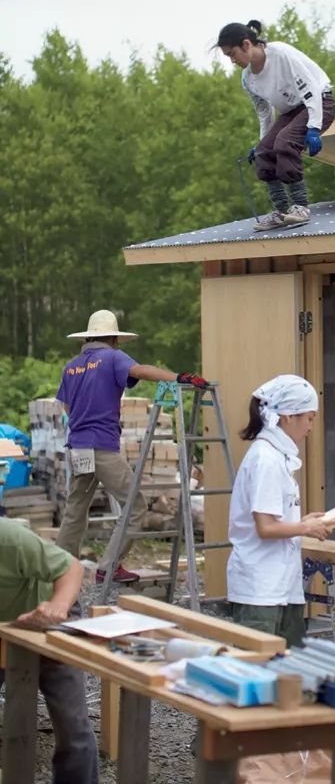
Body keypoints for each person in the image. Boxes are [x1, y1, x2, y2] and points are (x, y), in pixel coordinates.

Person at [56, 309, 207, 584]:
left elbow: (67, 407)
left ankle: (59, 568)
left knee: (76, 509)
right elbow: (140, 370)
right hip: (101, 447)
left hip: (77, 447)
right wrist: (178, 377)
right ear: (113, 339)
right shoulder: (112, 357)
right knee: (135, 504)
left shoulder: (72, 366)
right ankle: (109, 566)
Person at [227, 374, 331, 645]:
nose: (310, 427)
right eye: (309, 418)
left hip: (280, 585)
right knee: (258, 673)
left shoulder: (276, 455)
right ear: (288, 417)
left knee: (287, 673)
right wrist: (306, 527)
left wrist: (302, 521)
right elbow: (266, 527)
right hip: (261, 589)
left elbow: (273, 519)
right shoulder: (266, 459)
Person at [0, 517, 98, 783]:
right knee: (17, 720)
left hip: (47, 619)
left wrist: (59, 605)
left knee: (71, 724)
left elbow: (72, 569)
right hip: (5, 628)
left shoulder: (8, 537)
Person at [216, 19, 335, 230]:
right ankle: (280, 211)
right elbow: (264, 114)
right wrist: (262, 142)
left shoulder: (280, 54)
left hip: (319, 102)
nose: (232, 61)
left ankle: (300, 207)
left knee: (284, 142)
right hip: (291, 112)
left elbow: (311, 90)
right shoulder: (247, 79)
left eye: (232, 54)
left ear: (246, 44)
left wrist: (314, 128)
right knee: (264, 151)